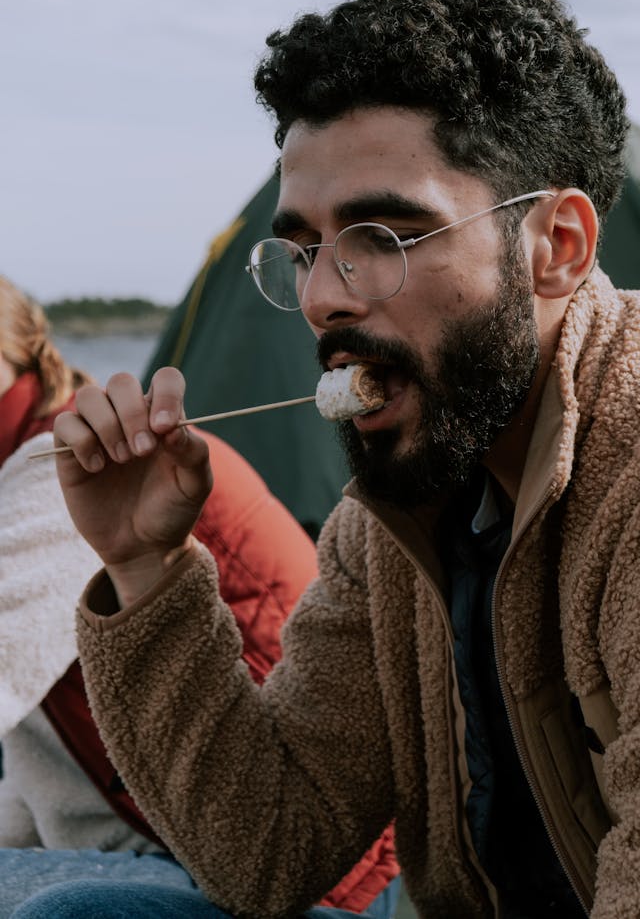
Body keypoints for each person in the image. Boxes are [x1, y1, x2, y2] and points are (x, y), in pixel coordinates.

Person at [38, 0, 640, 918]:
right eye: (304, 248)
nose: (325, 295)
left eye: (382, 233)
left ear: (558, 247)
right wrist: (145, 566)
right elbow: (267, 849)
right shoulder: (405, 501)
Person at [0, 275, 398, 917]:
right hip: (199, 840)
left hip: (323, 873)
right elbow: (35, 770)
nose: (321, 294)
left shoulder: (57, 468)